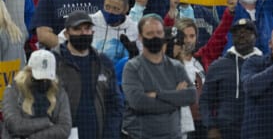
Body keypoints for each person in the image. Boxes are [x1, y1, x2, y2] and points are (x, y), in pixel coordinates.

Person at [122, 14, 197, 139]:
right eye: (150, 33)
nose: (155, 37)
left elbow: (191, 96)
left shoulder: (176, 66)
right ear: (140, 37)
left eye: (159, 32)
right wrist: (175, 98)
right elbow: (139, 103)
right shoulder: (132, 67)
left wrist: (158, 95)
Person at [53, 10, 124, 139]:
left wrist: (111, 134)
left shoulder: (104, 62)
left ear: (93, 32)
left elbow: (115, 103)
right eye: (77, 29)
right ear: (66, 34)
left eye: (87, 29)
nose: (83, 33)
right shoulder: (54, 61)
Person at [200, 18, 263, 139]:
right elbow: (205, 100)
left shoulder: (265, 65)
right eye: (237, 32)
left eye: (247, 32)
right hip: (224, 131)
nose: (242, 35)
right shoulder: (218, 66)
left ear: (255, 36)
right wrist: (211, 127)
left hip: (257, 131)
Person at [1, 50, 72, 138]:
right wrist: (46, 122)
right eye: (39, 77)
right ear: (28, 71)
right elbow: (15, 125)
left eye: (47, 78)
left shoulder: (59, 91)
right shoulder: (12, 91)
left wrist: (34, 137)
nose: (44, 81)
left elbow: (64, 128)